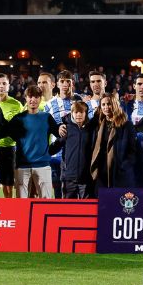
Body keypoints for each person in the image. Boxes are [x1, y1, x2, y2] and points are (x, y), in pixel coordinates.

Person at [5, 85, 64, 198]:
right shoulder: (18, 118)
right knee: (21, 203)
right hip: (22, 166)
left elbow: (59, 133)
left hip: (43, 166)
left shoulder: (46, 117)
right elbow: (4, 132)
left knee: (45, 202)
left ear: (40, 98)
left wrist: (61, 126)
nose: (33, 100)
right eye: (30, 97)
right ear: (26, 98)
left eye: (36, 97)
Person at [43, 70, 86, 198]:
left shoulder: (81, 100)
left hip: (77, 155)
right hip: (56, 156)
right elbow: (46, 129)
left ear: (72, 83)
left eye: (68, 81)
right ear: (57, 84)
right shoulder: (50, 104)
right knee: (58, 193)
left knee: (79, 193)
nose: (65, 84)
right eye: (62, 81)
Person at [90, 93, 137, 195]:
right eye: (103, 105)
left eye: (109, 104)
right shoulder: (98, 125)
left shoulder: (126, 125)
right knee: (101, 205)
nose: (106, 107)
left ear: (115, 105)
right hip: (101, 171)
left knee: (117, 206)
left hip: (118, 171)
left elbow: (133, 150)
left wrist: (123, 166)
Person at [0, 73, 25, 198]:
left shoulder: (17, 105)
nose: (1, 86)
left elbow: (22, 128)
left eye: (4, 83)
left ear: (8, 86)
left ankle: (8, 209)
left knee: (8, 184)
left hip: (10, 149)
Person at [53, 101, 93, 198]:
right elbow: (54, 147)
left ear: (86, 113)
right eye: (76, 112)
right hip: (69, 177)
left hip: (86, 177)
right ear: (72, 113)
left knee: (86, 209)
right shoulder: (66, 129)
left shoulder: (91, 130)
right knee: (68, 209)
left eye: (81, 112)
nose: (78, 115)